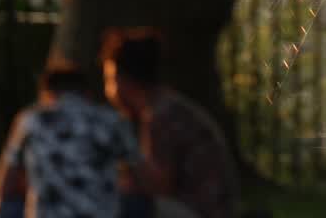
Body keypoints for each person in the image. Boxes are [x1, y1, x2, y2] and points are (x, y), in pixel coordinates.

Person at [101, 28, 238, 218]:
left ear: (121, 79)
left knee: (125, 206)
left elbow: (160, 186)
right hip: (201, 208)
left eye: (108, 78)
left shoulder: (161, 115)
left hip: (200, 211)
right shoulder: (164, 107)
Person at [0, 64, 144, 218]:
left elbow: (4, 184)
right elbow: (140, 177)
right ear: (87, 93)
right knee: (140, 201)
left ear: (46, 94)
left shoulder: (31, 120)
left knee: (3, 203)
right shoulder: (113, 120)